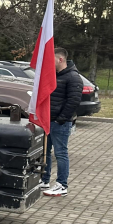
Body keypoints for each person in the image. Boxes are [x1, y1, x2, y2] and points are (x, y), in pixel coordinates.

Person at [42, 47, 84, 197]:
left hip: (60, 123)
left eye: (51, 59)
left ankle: (62, 185)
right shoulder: (54, 75)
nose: (48, 62)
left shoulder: (73, 77)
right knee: (45, 152)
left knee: (60, 154)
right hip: (48, 121)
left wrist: (61, 119)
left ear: (60, 59)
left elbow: (74, 101)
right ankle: (44, 180)